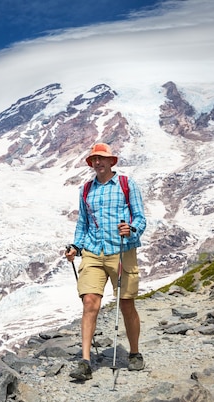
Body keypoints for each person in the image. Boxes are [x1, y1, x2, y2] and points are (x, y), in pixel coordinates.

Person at [65, 142, 147, 381]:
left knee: (126, 303)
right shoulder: (86, 189)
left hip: (122, 250)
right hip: (93, 251)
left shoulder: (126, 184)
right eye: (93, 160)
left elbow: (140, 217)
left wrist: (131, 229)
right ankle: (85, 361)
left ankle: (134, 352)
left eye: (102, 159)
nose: (97, 163)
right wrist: (75, 246)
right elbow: (83, 223)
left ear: (112, 161)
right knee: (90, 301)